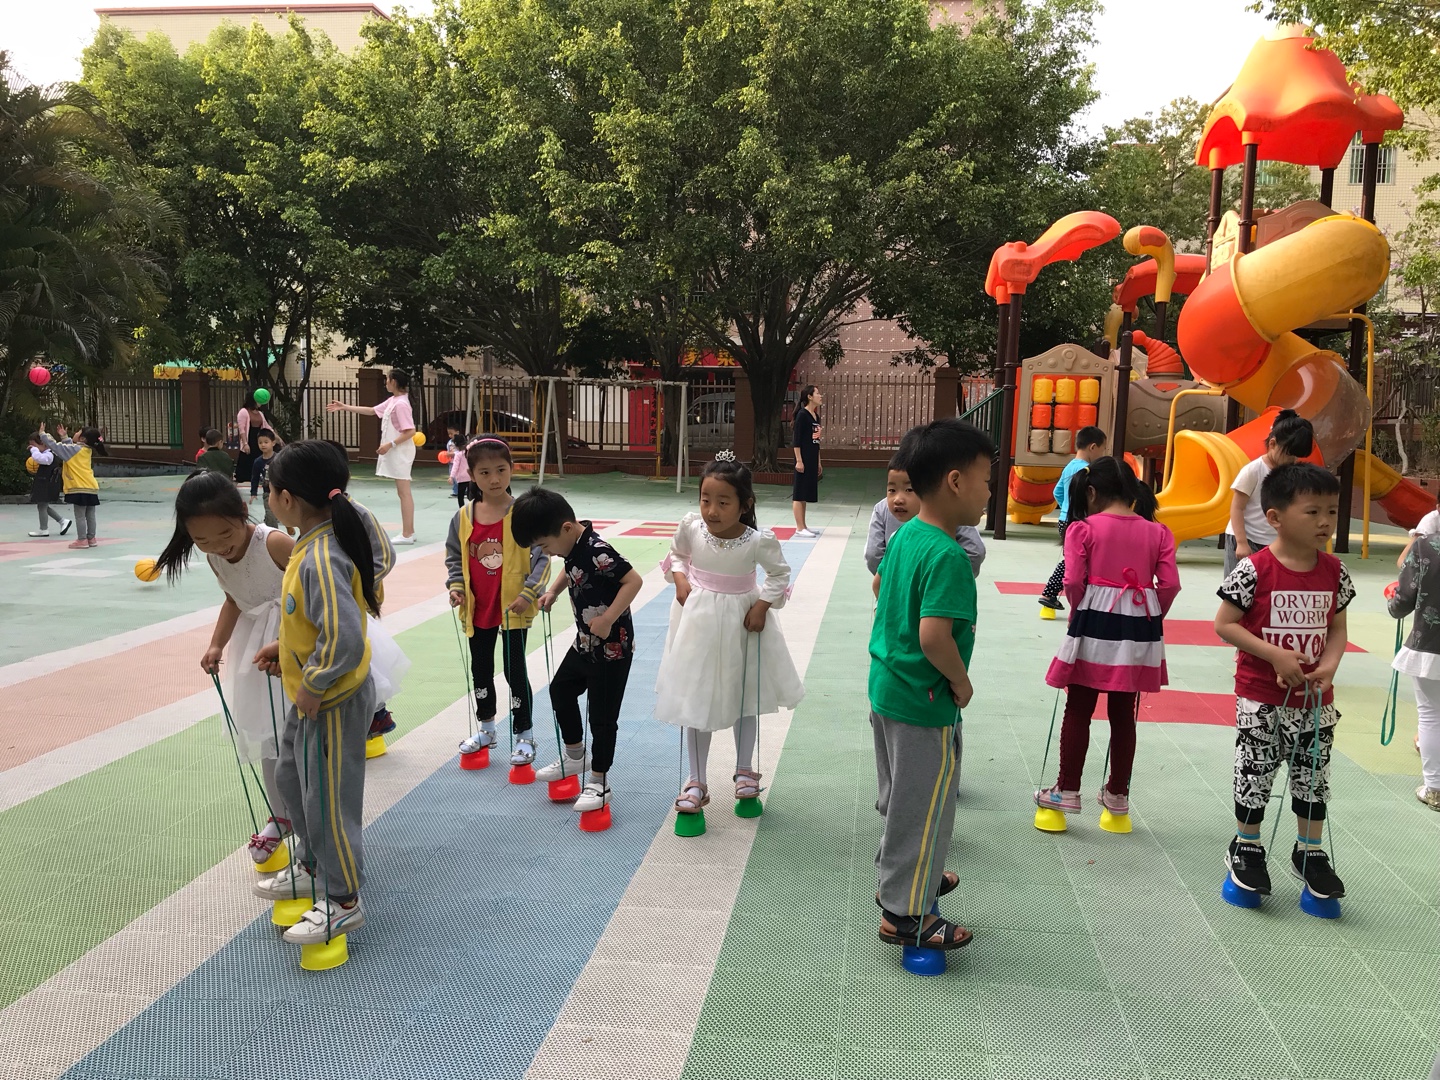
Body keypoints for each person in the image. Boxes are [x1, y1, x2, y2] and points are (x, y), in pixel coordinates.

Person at [869, 418, 994, 953]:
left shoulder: (906, 536)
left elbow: (881, 588)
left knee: (902, 796)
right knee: (926, 805)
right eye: (986, 480)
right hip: (923, 701)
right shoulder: (948, 556)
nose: (990, 492)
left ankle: (909, 872)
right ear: (955, 482)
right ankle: (906, 913)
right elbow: (934, 636)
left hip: (888, 689)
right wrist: (961, 681)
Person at [251, 441, 379, 944]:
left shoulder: (321, 556)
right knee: (291, 778)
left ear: (286, 498)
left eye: (269, 490)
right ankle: (311, 865)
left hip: (331, 700)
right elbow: (314, 619)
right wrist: (285, 648)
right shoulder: (308, 541)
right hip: (313, 697)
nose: (267, 498)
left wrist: (313, 682)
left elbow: (344, 638)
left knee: (327, 802)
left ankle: (343, 899)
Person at [1216, 463, 1353, 903]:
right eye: (1312, 512)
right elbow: (1224, 624)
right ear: (1274, 517)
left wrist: (1330, 665)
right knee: (1256, 770)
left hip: (1315, 701)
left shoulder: (1335, 571)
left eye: (1331, 511)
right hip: (1261, 697)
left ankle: (1309, 851)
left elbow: (1337, 629)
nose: (1325, 522)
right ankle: (1247, 845)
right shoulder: (1253, 570)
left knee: (1313, 775)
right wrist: (1274, 654)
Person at [153, 471, 294, 863]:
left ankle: (313, 820)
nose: (217, 546)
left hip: (296, 640)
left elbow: (317, 589)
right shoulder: (216, 557)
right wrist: (217, 644)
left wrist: (292, 642)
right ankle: (281, 816)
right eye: (202, 541)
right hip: (257, 654)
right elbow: (234, 600)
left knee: (302, 736)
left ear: (244, 511)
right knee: (269, 736)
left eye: (224, 534)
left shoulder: (274, 543)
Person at [657, 451, 805, 815]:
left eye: (723, 502)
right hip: (699, 622)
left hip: (743, 621)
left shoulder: (757, 540)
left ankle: (744, 769)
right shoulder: (692, 528)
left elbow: (779, 574)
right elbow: (677, 555)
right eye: (705, 500)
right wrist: (680, 578)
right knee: (697, 696)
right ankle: (696, 779)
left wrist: (762, 606)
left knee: (744, 694)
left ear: (745, 504)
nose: (712, 511)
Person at [1034, 456, 1180, 816]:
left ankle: (1067, 789)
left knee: (1079, 706)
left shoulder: (1083, 529)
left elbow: (1072, 581)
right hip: (1139, 625)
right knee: (1123, 711)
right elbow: (1170, 585)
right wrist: (1150, 613)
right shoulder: (1159, 532)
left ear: (1091, 491)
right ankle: (1117, 794)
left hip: (1095, 621)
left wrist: (1081, 609)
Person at [515, 487, 644, 814]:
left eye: (545, 546)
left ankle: (599, 781)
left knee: (602, 718)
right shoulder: (572, 543)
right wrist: (554, 591)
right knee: (560, 690)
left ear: (566, 528)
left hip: (612, 648)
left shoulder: (599, 550)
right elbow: (570, 566)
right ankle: (575, 756)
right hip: (585, 642)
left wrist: (608, 618)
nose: (547, 553)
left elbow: (634, 581)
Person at [444, 436, 551, 764]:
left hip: (513, 608)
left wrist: (529, 593)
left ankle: (524, 735)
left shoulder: (524, 513)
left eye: (501, 470)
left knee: (514, 671)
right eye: (485, 472)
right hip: (477, 608)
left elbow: (543, 556)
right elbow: (454, 556)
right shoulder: (463, 516)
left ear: (512, 469)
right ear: (471, 475)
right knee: (480, 669)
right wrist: (456, 587)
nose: (494, 479)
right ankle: (487, 729)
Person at [865, 455, 985, 597]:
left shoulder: (894, 532)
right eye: (892, 490)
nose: (898, 499)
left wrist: (895, 583)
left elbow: (873, 557)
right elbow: (975, 551)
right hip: (939, 591)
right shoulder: (948, 511)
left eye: (909, 489)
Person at [326, 370, 417, 544]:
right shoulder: (394, 401)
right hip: (397, 450)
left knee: (404, 492)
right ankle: (409, 531)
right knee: (403, 492)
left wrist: (390, 444)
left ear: (394, 382)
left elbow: (410, 431)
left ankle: (407, 534)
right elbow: (371, 410)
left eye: (387, 380)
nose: (386, 383)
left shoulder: (401, 404)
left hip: (401, 452)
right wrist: (345, 407)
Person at [1224, 409, 1314, 577]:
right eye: (1289, 454)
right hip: (1246, 538)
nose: (1292, 460)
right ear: (1272, 444)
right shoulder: (1253, 470)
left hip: (1273, 543)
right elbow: (1237, 507)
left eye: (1296, 457)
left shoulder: (1291, 473)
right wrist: (1241, 542)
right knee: (1238, 587)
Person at [1387, 526, 1440, 810]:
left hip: (1431, 644)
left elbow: (1403, 600)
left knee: (1431, 715)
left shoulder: (1425, 546)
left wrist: (1392, 602)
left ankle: (1435, 789)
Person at [1038, 426, 1108, 613]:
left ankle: (1056, 594)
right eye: (1103, 449)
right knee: (1073, 560)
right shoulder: (1087, 471)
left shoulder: (1070, 466)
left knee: (1076, 558)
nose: (1102, 454)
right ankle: (1049, 593)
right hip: (1079, 520)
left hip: (1065, 519)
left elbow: (1057, 492)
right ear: (1093, 447)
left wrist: (1066, 508)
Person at [38, 423, 105, 550]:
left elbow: (56, 446)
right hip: (91, 487)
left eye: (78, 432)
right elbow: (70, 449)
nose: (75, 433)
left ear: (82, 438)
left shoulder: (74, 450)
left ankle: (82, 540)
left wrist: (43, 434)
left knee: (80, 515)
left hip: (79, 487)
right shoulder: (86, 450)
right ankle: (91, 538)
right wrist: (65, 437)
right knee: (90, 515)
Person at [791, 384, 823, 538]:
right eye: (817, 393)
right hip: (802, 459)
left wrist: (818, 461)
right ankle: (799, 528)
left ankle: (804, 526)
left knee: (805, 493)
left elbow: (817, 442)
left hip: (812, 458)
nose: (820, 396)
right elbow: (797, 440)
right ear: (810, 397)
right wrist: (799, 460)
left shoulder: (816, 417)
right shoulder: (802, 415)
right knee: (799, 493)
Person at [26, 432, 71, 538]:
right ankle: (62, 521)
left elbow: (41, 459)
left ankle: (44, 529)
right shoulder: (48, 452)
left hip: (47, 484)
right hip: (44, 482)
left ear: (44, 444)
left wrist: (34, 450)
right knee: (43, 506)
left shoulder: (50, 454)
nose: (32, 448)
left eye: (34, 445)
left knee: (42, 505)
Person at [235, 391, 274, 486]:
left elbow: (266, 426)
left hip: (257, 440)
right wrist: (245, 443)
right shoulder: (244, 412)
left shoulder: (260, 413)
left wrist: (277, 437)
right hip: (249, 439)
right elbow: (242, 429)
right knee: (247, 460)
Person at [248, 429, 283, 530]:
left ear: (273, 443)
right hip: (267, 492)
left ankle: (269, 525)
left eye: (266, 442)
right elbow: (254, 478)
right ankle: (274, 532)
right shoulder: (258, 462)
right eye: (260, 443)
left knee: (276, 513)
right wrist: (253, 492)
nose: (263, 445)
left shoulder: (279, 459)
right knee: (270, 512)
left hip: (279, 491)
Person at [446, 424, 471, 509]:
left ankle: (462, 509)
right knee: (470, 494)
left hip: (461, 478)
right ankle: (473, 507)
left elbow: (455, 466)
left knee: (460, 496)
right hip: (470, 477)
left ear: (456, 445)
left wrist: (451, 477)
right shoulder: (469, 452)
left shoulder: (458, 454)